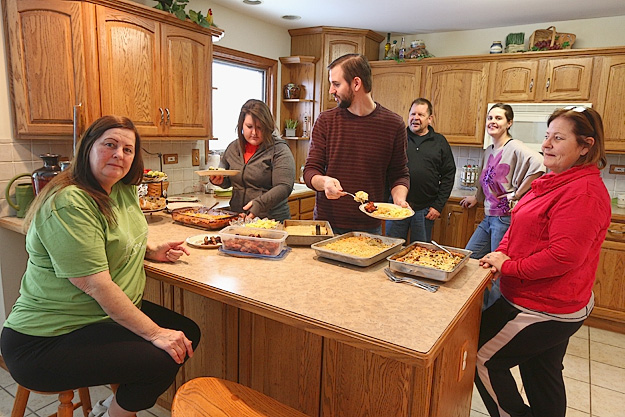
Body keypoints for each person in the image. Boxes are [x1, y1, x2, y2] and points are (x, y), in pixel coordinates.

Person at [1, 116, 200, 417]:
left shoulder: (121, 188)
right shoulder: (70, 202)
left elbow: (112, 240)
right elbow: (95, 283)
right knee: (161, 356)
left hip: (94, 319)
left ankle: (111, 405)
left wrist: (149, 251)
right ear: (88, 148)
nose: (119, 154)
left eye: (128, 149)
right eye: (110, 144)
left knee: (187, 333)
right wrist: (154, 333)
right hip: (45, 339)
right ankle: (114, 414)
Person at [474, 106, 611, 417]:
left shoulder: (583, 193)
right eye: (547, 136)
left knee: (482, 357)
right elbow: (519, 221)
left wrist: (508, 266)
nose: (546, 144)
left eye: (558, 138)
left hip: (543, 306)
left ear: (585, 145)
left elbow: (563, 256)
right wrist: (501, 254)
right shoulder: (557, 179)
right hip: (543, 299)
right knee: (542, 372)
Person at [303, 53, 410, 234]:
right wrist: (324, 182)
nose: (331, 90)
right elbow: (310, 171)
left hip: (369, 227)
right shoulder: (326, 121)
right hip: (327, 226)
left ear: (356, 83)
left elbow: (399, 174)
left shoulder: (394, 124)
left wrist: (399, 200)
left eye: (336, 84)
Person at [460, 103, 545, 309]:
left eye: (498, 118)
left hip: (504, 218)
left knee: (497, 271)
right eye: (490, 118)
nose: (493, 122)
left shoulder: (513, 147)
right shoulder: (489, 150)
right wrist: (476, 197)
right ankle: (474, 309)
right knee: (469, 259)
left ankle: (493, 315)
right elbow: (485, 178)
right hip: (488, 217)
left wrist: (517, 194)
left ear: (509, 123)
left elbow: (540, 164)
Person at [210, 99, 295, 221]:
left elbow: (284, 187)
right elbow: (227, 180)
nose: (254, 132)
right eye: (249, 127)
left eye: (259, 127)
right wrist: (219, 181)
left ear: (268, 126)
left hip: (271, 220)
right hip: (239, 218)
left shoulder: (279, 150)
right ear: (241, 125)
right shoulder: (233, 148)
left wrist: (260, 203)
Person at [386, 98, 455, 243]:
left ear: (429, 119)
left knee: (420, 252)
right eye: (412, 114)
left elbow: (449, 175)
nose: (415, 118)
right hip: (397, 208)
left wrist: (438, 206)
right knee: (391, 249)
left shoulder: (439, 142)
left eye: (421, 115)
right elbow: (385, 170)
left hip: (425, 210)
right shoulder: (398, 138)